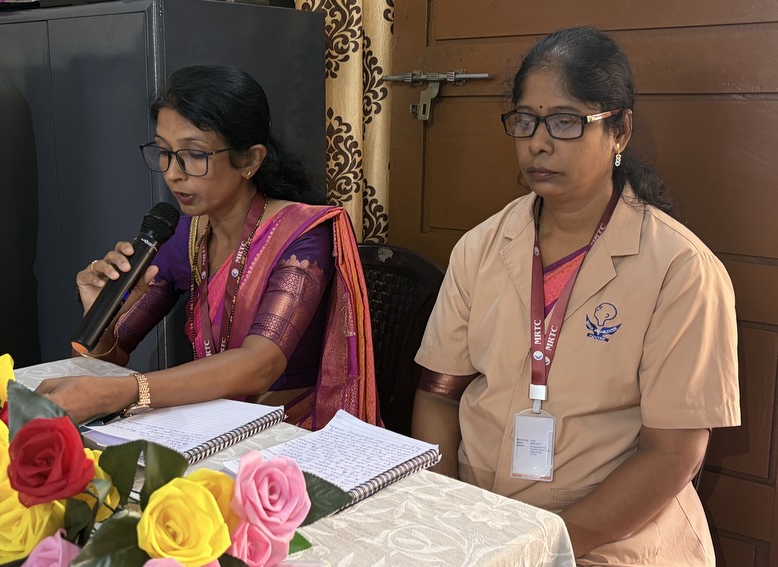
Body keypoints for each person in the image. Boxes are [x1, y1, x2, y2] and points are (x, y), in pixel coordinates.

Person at [411, 27, 740, 566]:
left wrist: (540, 548)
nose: (538, 143)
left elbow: (672, 453)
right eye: (525, 121)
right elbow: (437, 395)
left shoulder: (680, 270)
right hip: (480, 515)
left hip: (608, 533)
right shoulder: (481, 247)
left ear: (620, 131)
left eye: (565, 122)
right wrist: (449, 515)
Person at [37, 65, 379, 430]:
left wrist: (127, 392)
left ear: (249, 160)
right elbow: (116, 352)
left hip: (292, 431)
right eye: (164, 152)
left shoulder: (303, 235)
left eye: (194, 154)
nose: (172, 173)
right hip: (212, 425)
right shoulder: (186, 234)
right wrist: (102, 314)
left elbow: (260, 365)